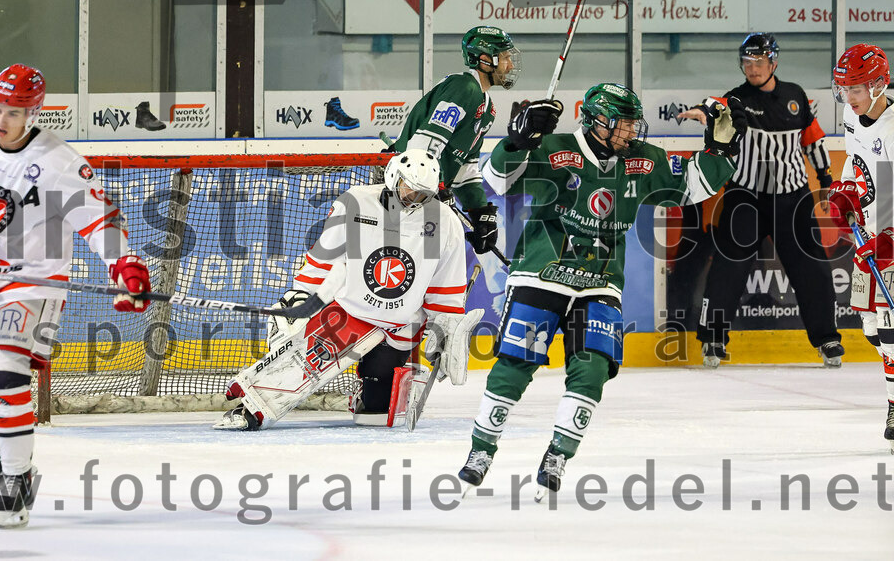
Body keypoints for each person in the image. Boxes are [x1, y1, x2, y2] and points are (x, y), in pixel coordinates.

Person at [457, 83, 744, 496]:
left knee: (592, 370)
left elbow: (692, 188)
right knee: (516, 364)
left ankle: (558, 454)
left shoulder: (643, 161)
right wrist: (516, 141)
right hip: (542, 270)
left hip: (601, 279)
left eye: (632, 125)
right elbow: (497, 179)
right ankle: (481, 451)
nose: (630, 133)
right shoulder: (553, 147)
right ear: (595, 121)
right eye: (621, 125)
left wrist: (720, 149)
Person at [0, 64, 151, 528]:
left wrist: (126, 266)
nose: (1, 119)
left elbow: (98, 220)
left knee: (5, 372)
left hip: (35, 279)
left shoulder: (59, 160)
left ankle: (17, 476)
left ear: (33, 113)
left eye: (13, 111)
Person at [216, 150, 481, 430]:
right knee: (294, 370)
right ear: (393, 177)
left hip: (401, 326)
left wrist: (446, 330)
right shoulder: (355, 202)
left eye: (422, 194)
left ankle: (367, 391)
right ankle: (252, 403)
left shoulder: (444, 222)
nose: (413, 199)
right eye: (408, 189)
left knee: (375, 416)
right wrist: (299, 300)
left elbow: (444, 290)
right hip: (349, 313)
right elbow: (322, 261)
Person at [679, 32, 842, 368]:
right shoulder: (736, 98)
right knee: (728, 267)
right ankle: (712, 339)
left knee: (812, 267)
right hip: (745, 197)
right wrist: (698, 111)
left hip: (793, 197)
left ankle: (827, 338)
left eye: (758, 62)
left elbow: (812, 138)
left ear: (774, 62)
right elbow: (714, 106)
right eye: (746, 62)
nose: (751, 68)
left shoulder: (795, 95)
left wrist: (825, 180)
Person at [391, 25, 560, 256]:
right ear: (484, 59)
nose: (510, 65)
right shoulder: (463, 88)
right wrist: (433, 186)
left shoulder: (487, 108)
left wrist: (479, 210)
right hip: (400, 194)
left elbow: (466, 167)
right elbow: (424, 145)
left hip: (421, 200)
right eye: (504, 57)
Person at [827, 43, 894, 452]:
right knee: (870, 328)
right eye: (844, 89)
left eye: (853, 89)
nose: (846, 98)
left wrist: (889, 237)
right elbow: (857, 164)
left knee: (890, 330)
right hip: (871, 234)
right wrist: (845, 194)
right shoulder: (855, 115)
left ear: (878, 85)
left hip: (889, 235)